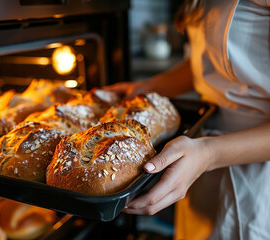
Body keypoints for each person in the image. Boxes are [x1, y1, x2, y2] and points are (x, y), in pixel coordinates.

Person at [105, 0, 270, 239]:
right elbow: (206, 63)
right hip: (198, 156)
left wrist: (208, 154)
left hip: (255, 169)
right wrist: (144, 88)